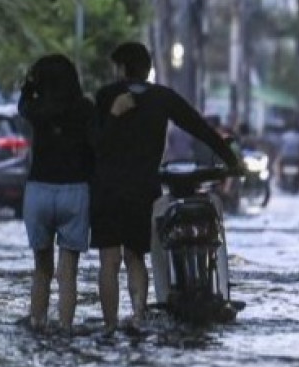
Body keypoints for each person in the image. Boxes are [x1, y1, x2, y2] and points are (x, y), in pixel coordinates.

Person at [90, 42, 242, 333]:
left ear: (121, 68)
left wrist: (113, 117)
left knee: (109, 260)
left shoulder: (106, 96)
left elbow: (96, 142)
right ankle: (138, 317)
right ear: (147, 69)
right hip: (143, 190)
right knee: (135, 256)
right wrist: (230, 158)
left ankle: (109, 326)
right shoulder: (162, 97)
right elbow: (198, 126)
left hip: (106, 190)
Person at [17, 54, 96, 333]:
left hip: (39, 190)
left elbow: (22, 106)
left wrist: (29, 86)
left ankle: (37, 321)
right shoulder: (85, 109)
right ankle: (65, 327)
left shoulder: (38, 108)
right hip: (74, 191)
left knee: (41, 269)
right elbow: (94, 147)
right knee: (68, 272)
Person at [277, 121, 299, 189]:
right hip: (297, 157)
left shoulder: (284, 136)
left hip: (285, 157)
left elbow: (279, 146)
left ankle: (278, 179)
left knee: (278, 164)